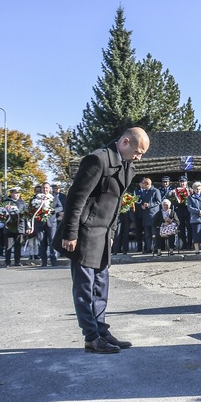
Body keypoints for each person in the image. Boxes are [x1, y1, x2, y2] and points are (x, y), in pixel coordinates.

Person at [56, 127, 150, 354]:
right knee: (85, 288)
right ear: (125, 142)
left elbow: (116, 205)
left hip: (103, 233)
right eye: (137, 151)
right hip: (85, 233)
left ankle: (102, 331)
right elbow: (76, 198)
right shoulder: (97, 160)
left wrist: (112, 233)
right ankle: (91, 337)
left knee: (101, 286)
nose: (139, 157)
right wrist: (70, 233)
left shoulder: (127, 166)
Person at [31, 182, 61, 267]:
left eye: (47, 188)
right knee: (41, 242)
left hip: (51, 223)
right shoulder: (36, 198)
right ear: (41, 189)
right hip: (39, 224)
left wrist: (53, 210)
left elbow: (60, 207)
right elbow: (31, 208)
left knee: (52, 242)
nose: (45, 189)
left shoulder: (54, 197)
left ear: (49, 189)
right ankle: (44, 261)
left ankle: (53, 261)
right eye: (43, 188)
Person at [4, 187, 27, 267]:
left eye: (18, 193)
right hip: (9, 227)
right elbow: (1, 213)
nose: (17, 195)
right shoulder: (6, 202)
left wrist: (27, 227)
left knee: (18, 245)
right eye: (15, 193)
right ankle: (7, 262)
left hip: (19, 226)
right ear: (11, 194)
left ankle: (17, 261)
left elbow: (26, 214)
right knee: (8, 245)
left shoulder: (22, 202)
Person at [138, 177, 162, 254]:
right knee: (147, 234)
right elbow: (141, 201)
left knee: (154, 233)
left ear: (147, 184)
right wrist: (142, 206)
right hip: (145, 215)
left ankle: (155, 248)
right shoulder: (144, 192)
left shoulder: (155, 191)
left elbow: (158, 201)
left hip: (153, 215)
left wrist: (149, 205)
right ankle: (148, 248)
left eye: (143, 184)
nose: (142, 185)